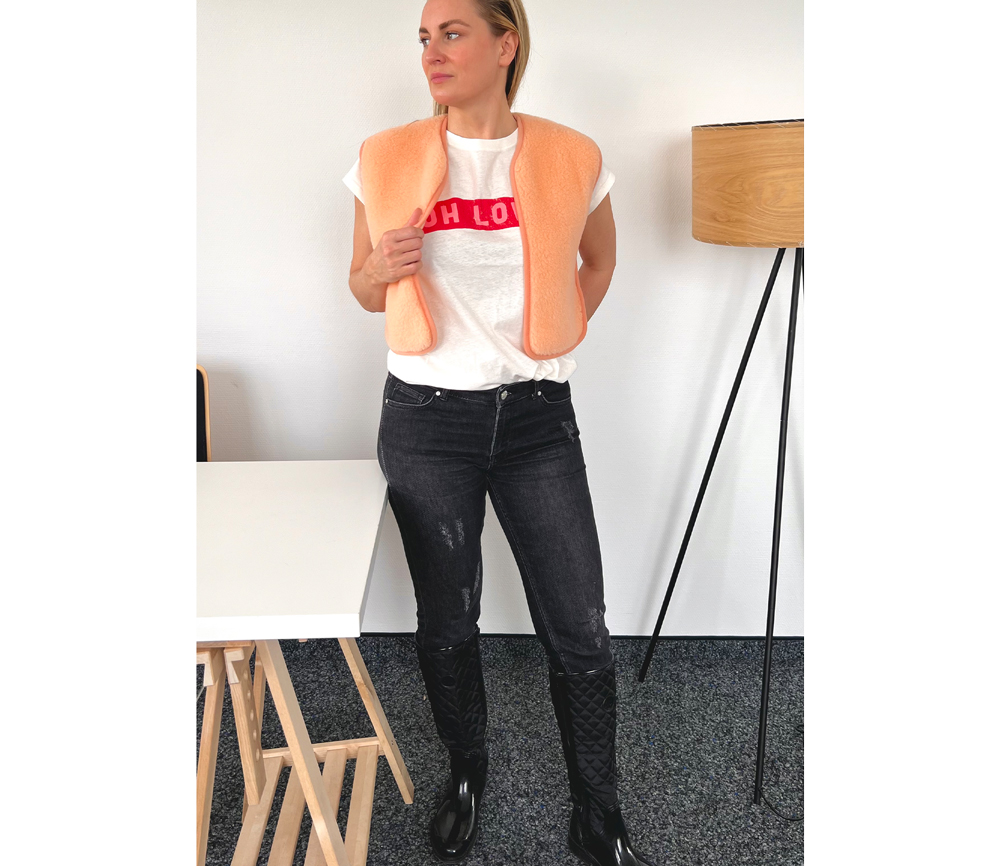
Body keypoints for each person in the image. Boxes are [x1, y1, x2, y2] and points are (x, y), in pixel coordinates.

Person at [344, 2, 657, 864]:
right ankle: (466, 774)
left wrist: (557, 332)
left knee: (580, 624)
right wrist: (377, 269)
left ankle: (598, 808)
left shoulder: (571, 154)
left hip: (536, 417)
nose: (432, 52)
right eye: (424, 37)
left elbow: (600, 260)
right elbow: (361, 288)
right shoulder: (382, 157)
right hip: (425, 418)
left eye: (452, 33)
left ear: (505, 43)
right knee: (448, 618)